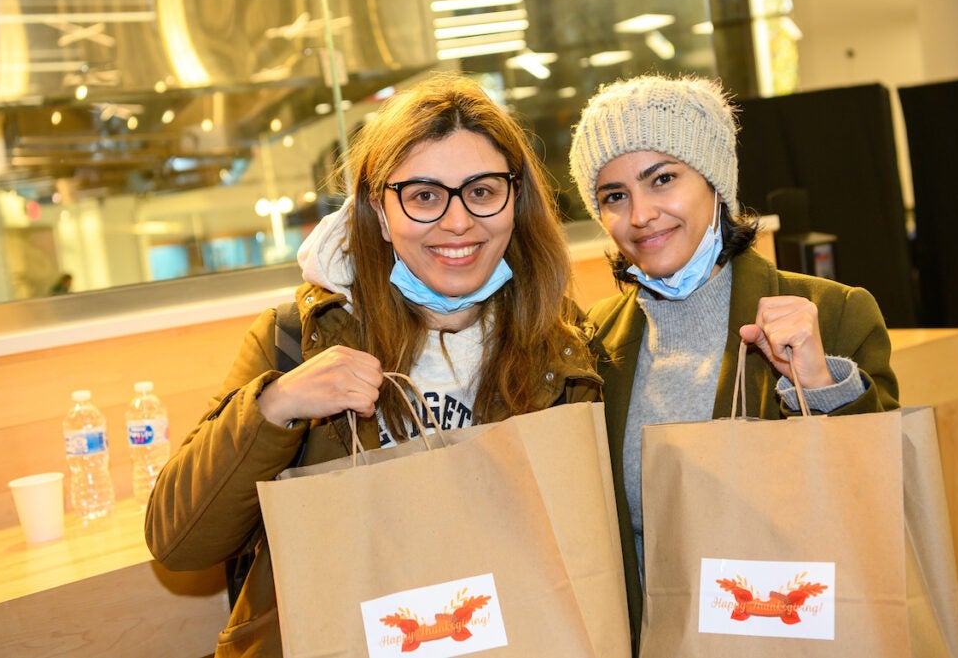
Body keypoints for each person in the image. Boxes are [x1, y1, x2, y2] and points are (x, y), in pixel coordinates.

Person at [146, 73, 601, 657]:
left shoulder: (559, 344)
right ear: (379, 212)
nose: (458, 221)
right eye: (424, 195)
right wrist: (277, 406)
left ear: (516, 200)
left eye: (482, 191)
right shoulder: (297, 339)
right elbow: (177, 542)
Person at [568, 73, 899, 649]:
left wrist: (818, 382)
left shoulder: (832, 312)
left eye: (663, 179)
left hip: (791, 634)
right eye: (614, 195)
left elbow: (887, 494)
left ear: (715, 183)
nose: (641, 214)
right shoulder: (589, 341)